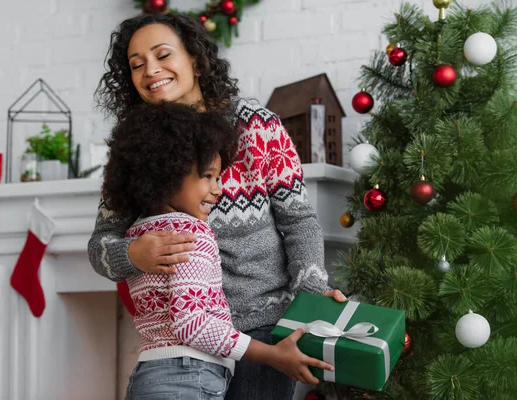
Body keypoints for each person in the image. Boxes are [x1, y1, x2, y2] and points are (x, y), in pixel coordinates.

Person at [89, 13, 346, 400]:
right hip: (181, 351)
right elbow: (100, 246)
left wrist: (311, 291)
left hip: (262, 331)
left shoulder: (258, 128)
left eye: (162, 55)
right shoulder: (136, 148)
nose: (150, 71)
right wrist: (133, 253)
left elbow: (299, 222)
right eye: (137, 64)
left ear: (194, 57)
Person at [102, 102, 334, 400]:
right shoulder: (190, 235)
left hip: (151, 372)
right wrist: (271, 355)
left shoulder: (139, 234)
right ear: (169, 174)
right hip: (187, 378)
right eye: (208, 176)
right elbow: (191, 324)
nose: (219, 188)